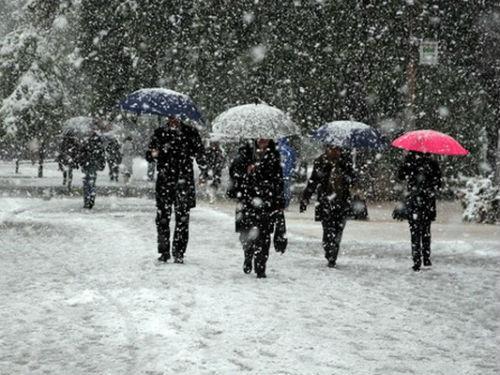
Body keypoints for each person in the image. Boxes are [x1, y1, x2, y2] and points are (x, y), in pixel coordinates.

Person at [145, 116, 206, 264]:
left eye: (176, 117)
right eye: (171, 117)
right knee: (162, 218)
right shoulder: (160, 133)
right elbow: (149, 155)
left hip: (184, 180)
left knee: (182, 219)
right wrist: (154, 153)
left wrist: (204, 171)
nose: (173, 120)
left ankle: (179, 251)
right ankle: (164, 251)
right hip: (165, 180)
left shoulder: (190, 132)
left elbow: (200, 153)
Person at [227, 138, 285, 278]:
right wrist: (246, 172)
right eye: (260, 137)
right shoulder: (244, 155)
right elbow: (234, 176)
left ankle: (260, 266)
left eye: (266, 137)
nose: (263, 140)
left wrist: (278, 201)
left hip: (266, 202)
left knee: (264, 236)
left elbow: (278, 180)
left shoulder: (274, 157)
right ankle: (248, 255)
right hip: (247, 201)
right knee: (247, 234)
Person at [299, 146, 355, 268]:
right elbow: (313, 181)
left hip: (342, 201)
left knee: (338, 230)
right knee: (328, 230)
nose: (335, 151)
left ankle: (333, 254)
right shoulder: (320, 162)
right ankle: (329, 252)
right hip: (325, 202)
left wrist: (345, 173)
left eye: (338, 149)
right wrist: (305, 198)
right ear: (327, 149)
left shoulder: (346, 161)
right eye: (332, 149)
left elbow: (352, 180)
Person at [397, 151, 442, 271]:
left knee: (415, 231)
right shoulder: (432, 164)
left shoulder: (411, 163)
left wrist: (406, 160)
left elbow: (400, 176)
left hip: (414, 201)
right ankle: (426, 257)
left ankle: (417, 259)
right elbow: (439, 183)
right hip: (427, 202)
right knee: (426, 230)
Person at [79, 126, 106, 209]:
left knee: (86, 184)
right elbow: (102, 156)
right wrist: (101, 165)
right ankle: (91, 199)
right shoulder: (99, 144)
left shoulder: (86, 143)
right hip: (93, 166)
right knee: (92, 183)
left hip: (87, 166)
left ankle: (87, 200)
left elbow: (81, 154)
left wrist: (82, 162)